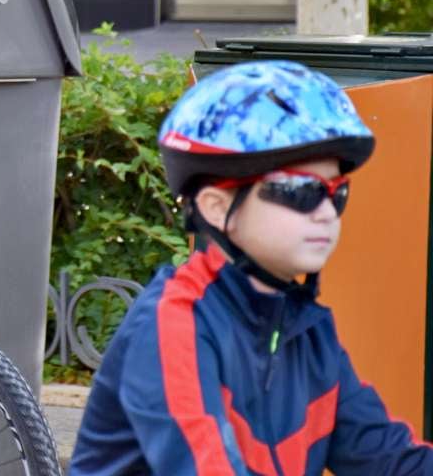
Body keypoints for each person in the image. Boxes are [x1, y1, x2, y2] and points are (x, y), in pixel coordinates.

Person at [69, 60, 433, 475]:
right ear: (218, 208)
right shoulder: (173, 326)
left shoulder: (307, 331)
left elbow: (390, 459)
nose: (327, 212)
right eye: (300, 190)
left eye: (337, 192)